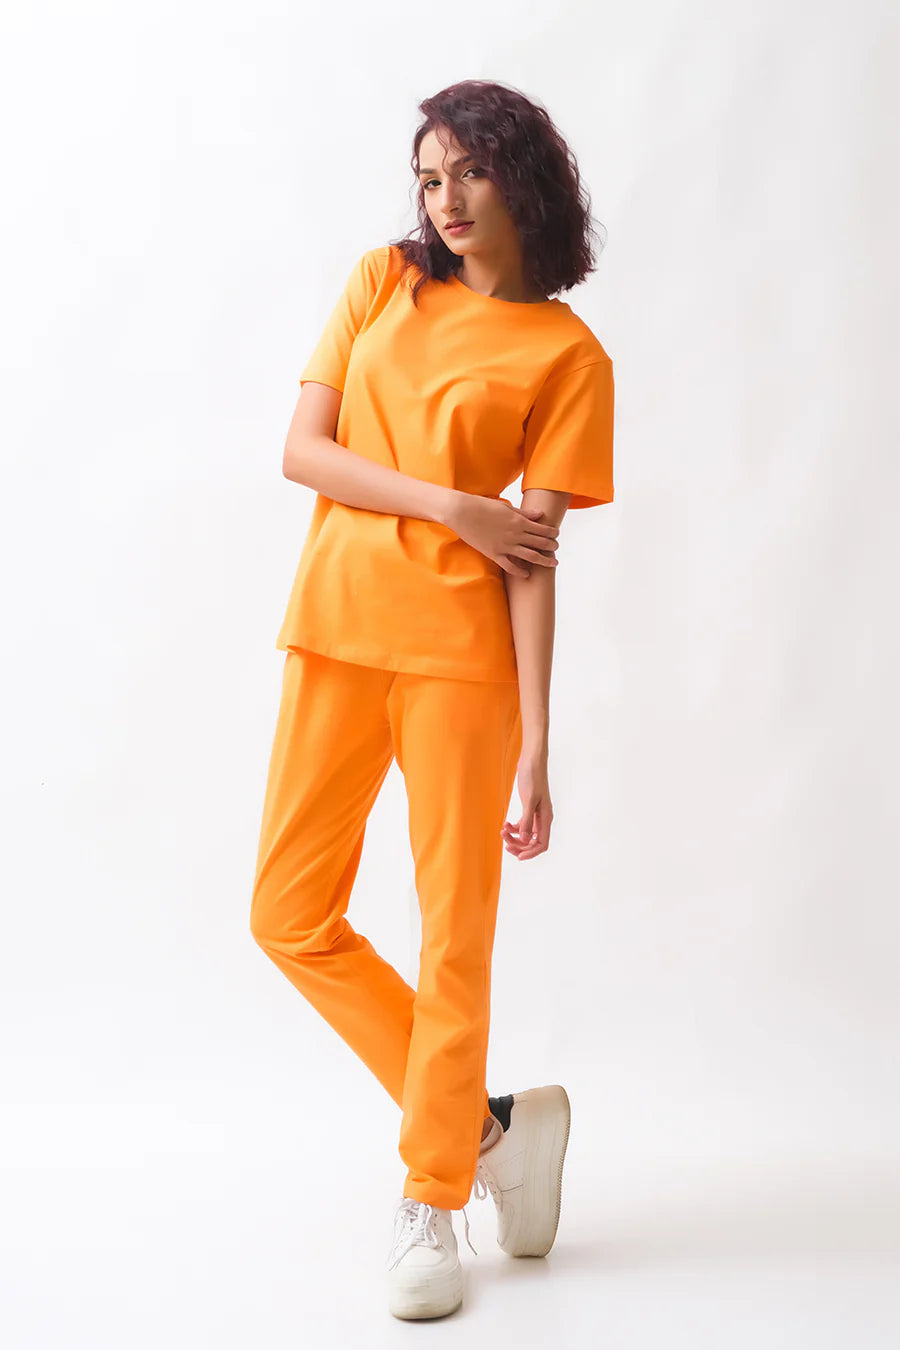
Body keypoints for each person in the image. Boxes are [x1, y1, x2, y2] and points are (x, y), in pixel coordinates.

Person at [249, 78, 615, 1321]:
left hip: (464, 664)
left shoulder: (568, 357)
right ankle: (494, 1131)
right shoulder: (382, 283)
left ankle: (432, 1197)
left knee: (455, 938)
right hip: (336, 632)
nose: (445, 199)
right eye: (428, 177)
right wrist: (456, 505)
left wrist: (539, 745)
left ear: (524, 178)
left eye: (468, 172)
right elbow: (304, 452)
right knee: (289, 915)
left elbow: (535, 562)